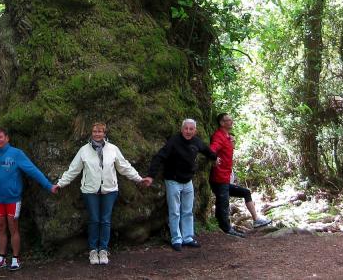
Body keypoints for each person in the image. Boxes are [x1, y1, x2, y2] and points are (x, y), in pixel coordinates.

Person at [54, 122, 153, 266]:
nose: (97, 134)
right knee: (94, 219)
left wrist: (138, 178)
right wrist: (60, 183)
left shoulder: (113, 149)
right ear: (91, 133)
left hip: (109, 190)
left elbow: (124, 166)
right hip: (90, 191)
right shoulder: (84, 150)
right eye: (95, 131)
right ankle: (93, 250)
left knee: (105, 220)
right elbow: (73, 170)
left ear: (104, 133)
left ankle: (103, 250)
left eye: (100, 131)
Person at [0, 128, 56, 271]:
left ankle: (15, 259)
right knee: (0, 227)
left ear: (7, 138)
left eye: (1, 137)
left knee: (13, 227)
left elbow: (32, 170)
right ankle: (2, 258)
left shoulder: (16, 154)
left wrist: (48, 186)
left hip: (13, 198)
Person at [147, 118, 217, 251]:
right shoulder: (174, 141)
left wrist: (215, 157)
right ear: (182, 129)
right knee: (174, 211)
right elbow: (159, 156)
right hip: (173, 180)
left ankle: (188, 237)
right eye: (186, 128)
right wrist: (151, 175)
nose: (188, 131)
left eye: (191, 129)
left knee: (188, 211)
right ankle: (176, 239)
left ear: (195, 131)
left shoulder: (196, 142)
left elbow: (206, 150)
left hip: (188, 181)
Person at [209, 113, 272, 237]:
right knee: (223, 204)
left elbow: (226, 151)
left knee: (245, 192)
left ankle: (256, 220)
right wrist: (214, 157)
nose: (231, 122)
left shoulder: (227, 137)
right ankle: (227, 230)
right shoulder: (219, 136)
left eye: (232, 119)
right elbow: (212, 149)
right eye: (228, 120)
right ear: (222, 123)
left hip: (226, 177)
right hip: (219, 177)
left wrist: (232, 143)